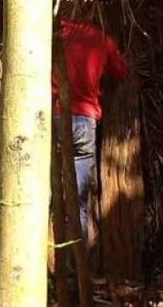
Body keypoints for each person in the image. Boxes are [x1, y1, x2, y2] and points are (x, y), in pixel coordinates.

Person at [52, 18, 127, 245]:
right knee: (78, 203)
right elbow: (121, 71)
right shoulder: (101, 38)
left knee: (45, 194)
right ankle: (77, 269)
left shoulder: (52, 33)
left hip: (52, 117)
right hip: (85, 119)